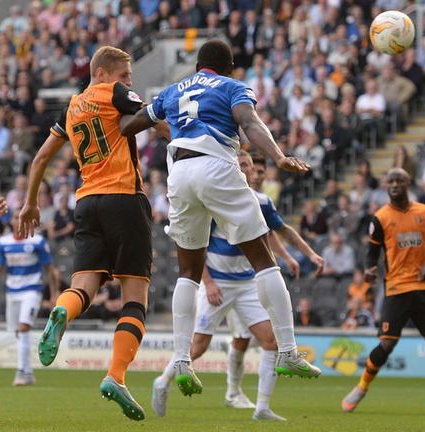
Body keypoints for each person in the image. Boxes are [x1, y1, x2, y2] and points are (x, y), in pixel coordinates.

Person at [120, 39, 318, 403]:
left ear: (198, 65)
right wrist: (277, 156)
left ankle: (181, 360)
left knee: (187, 273)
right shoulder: (232, 87)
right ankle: (288, 351)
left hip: (179, 173)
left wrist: (123, 105)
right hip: (216, 165)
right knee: (264, 261)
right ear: (228, 67)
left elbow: (130, 126)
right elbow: (249, 121)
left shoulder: (171, 90)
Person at [17, 46, 169, 421]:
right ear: (101, 73)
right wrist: (185, 143)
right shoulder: (112, 93)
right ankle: (116, 376)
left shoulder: (71, 107)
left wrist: (30, 202)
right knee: (135, 298)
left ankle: (61, 312)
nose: (129, 82)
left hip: (86, 203)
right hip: (123, 199)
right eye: (125, 75)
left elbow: (40, 159)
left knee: (83, 286)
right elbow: (153, 118)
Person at [150, 151, 324, 421]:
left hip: (246, 284)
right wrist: (207, 283)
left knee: (270, 342)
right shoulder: (212, 196)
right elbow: (195, 244)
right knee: (197, 348)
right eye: (242, 165)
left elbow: (278, 232)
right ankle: (162, 382)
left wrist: (308, 254)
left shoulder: (262, 202)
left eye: (250, 166)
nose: (248, 171)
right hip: (216, 282)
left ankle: (262, 408)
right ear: (232, 167)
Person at [341, 168, 425, 416]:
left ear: (407, 183)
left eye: (399, 180)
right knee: (387, 344)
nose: (394, 184)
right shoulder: (380, 218)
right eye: (390, 181)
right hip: (396, 288)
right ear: (385, 185)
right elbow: (371, 256)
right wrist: (370, 271)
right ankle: (361, 388)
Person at [0, 213, 57, 387]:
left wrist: (54, 293)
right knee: (18, 332)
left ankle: (20, 371)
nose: (18, 220)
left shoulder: (37, 241)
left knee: (23, 327)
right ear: (10, 221)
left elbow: (49, 268)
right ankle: (28, 373)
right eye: (15, 217)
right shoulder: (4, 242)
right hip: (12, 291)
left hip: (32, 289)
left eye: (22, 217)